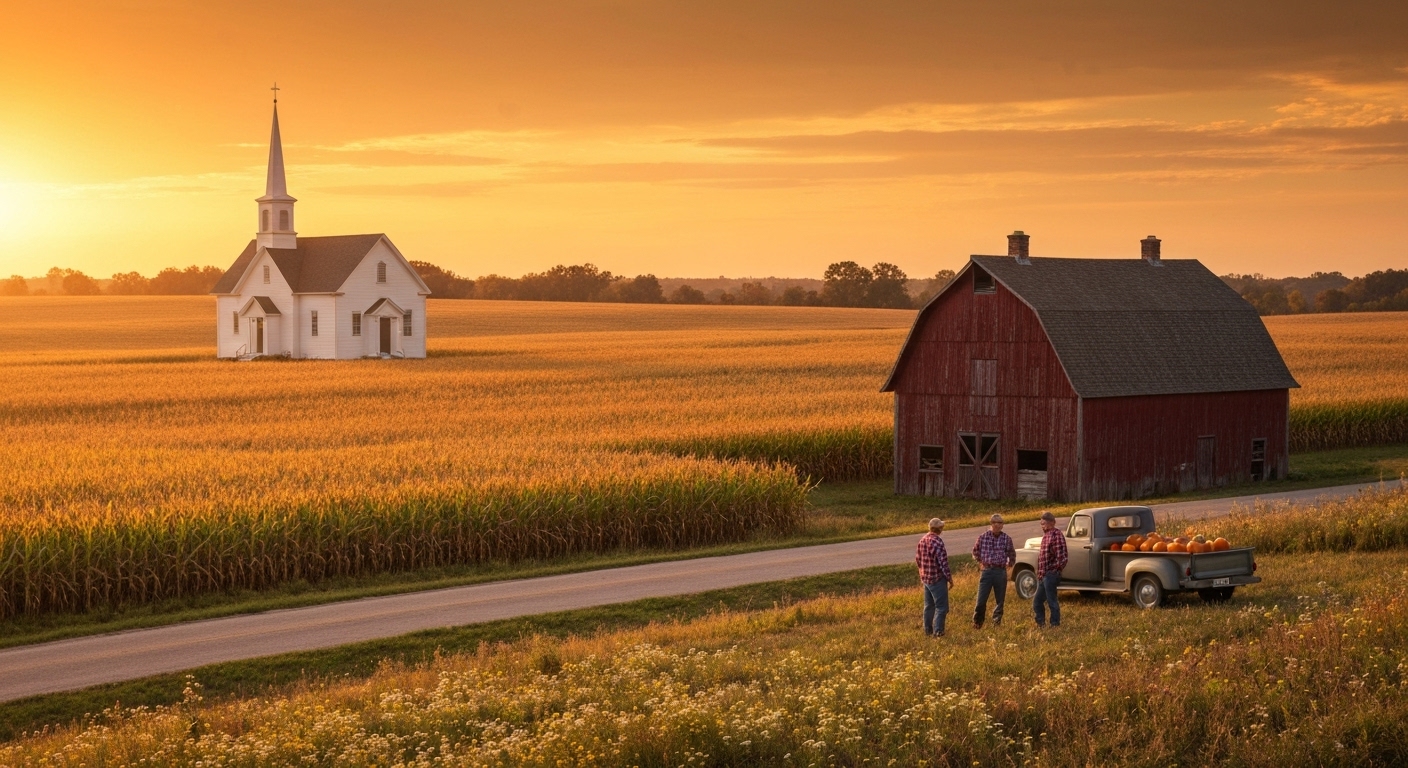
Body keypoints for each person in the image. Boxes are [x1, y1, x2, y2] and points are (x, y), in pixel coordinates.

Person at [971, 513, 1015, 628]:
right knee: (981, 599)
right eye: (995, 522)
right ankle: (978, 622)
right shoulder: (983, 537)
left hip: (1000, 571)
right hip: (987, 570)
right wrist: (982, 562)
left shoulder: (1006, 538)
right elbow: (975, 552)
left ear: (1002, 525)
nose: (997, 525)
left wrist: (1010, 563)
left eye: (1000, 523)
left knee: (1000, 599)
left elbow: (1011, 553)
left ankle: (997, 621)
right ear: (991, 524)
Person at [915, 517, 953, 637]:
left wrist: (922, 573)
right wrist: (949, 578)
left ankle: (927, 630)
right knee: (942, 607)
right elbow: (943, 563)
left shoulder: (922, 540)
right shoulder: (937, 541)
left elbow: (918, 559)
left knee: (929, 605)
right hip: (937, 578)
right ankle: (938, 632)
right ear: (940, 529)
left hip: (926, 578)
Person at [1033, 511, 1067, 628]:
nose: (1042, 526)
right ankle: (1040, 624)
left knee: (1052, 600)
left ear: (1052, 523)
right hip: (1043, 575)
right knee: (1037, 602)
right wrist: (1040, 573)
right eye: (1041, 524)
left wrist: (1055, 570)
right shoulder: (1045, 536)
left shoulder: (1056, 535)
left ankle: (1055, 624)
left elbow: (1062, 556)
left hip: (1051, 574)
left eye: (1044, 523)